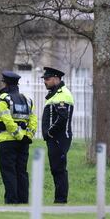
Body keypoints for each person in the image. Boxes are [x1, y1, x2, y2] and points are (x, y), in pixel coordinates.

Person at [0, 70, 37, 204]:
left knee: (9, 172)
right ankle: (23, 201)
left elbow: (7, 120)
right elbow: (33, 119)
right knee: (22, 172)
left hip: (7, 141)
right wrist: (27, 135)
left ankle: (12, 201)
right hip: (24, 141)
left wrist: (17, 135)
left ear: (5, 83)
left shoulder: (3, 99)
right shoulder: (27, 100)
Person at [41, 66, 74, 204]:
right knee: (55, 169)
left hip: (59, 138)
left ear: (56, 78)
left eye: (47, 79)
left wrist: (49, 132)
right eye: (44, 79)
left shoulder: (63, 94)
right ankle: (59, 198)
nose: (45, 82)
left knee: (59, 169)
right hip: (54, 139)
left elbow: (62, 118)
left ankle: (60, 200)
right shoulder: (55, 94)